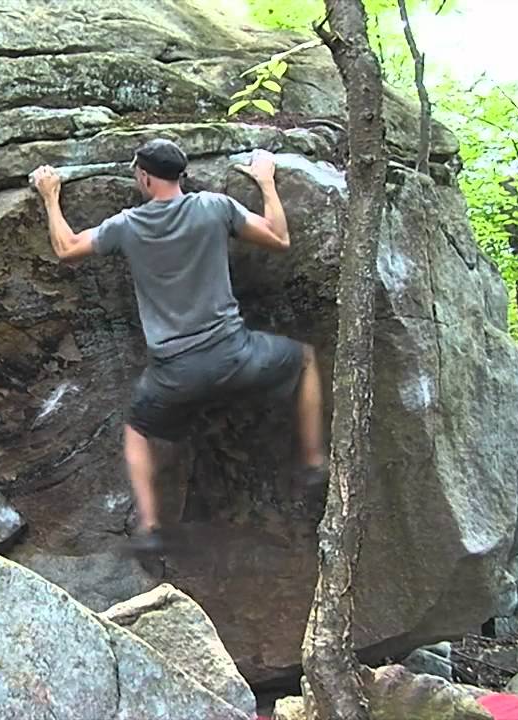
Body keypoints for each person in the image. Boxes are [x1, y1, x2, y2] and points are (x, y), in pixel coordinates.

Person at [30, 139, 326, 553]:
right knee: (305, 359)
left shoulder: (127, 225)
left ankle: (150, 526)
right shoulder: (214, 207)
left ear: (145, 177)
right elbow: (279, 237)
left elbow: (68, 248)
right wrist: (266, 181)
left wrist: (50, 196)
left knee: (137, 430)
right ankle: (313, 463)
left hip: (174, 374)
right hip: (236, 356)